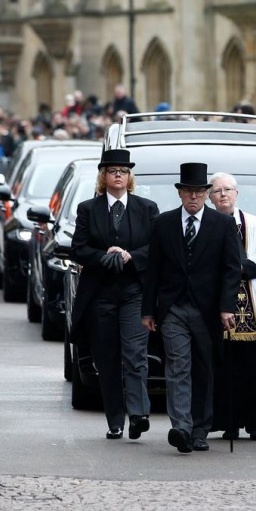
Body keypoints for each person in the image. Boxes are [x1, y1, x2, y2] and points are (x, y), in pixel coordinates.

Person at [141, 163, 241, 453]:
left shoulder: (222, 224)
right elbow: (153, 270)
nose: (194, 197)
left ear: (206, 194)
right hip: (172, 308)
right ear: (181, 193)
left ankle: (200, 429)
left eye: (199, 191)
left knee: (203, 368)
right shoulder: (163, 223)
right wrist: (148, 310)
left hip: (208, 309)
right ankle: (181, 427)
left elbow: (231, 269)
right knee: (177, 366)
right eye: (188, 191)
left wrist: (227, 307)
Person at [70, 150, 159, 440]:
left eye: (123, 170)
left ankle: (138, 414)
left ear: (129, 176)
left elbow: (158, 249)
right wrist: (102, 255)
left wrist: (131, 256)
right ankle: (115, 420)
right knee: (107, 360)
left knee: (135, 355)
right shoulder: (88, 209)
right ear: (103, 176)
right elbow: (78, 248)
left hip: (135, 293)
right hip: (100, 295)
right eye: (112, 171)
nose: (118, 175)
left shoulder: (147, 209)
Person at [207, 172, 256, 442]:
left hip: (253, 300)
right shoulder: (207, 224)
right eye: (217, 191)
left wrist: (238, 269)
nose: (223, 194)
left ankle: (255, 422)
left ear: (237, 193)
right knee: (226, 368)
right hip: (219, 304)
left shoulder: (254, 223)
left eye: (228, 189)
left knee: (255, 367)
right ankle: (229, 423)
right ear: (210, 196)